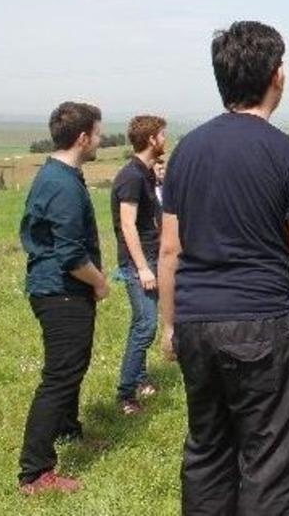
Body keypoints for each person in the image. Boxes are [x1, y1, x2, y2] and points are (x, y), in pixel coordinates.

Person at [157, 21, 289, 514]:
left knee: (207, 451)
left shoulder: (186, 151)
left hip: (196, 324)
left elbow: (169, 251)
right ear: (277, 77)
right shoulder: (287, 155)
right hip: (263, 326)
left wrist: (169, 324)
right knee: (272, 461)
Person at [17, 102, 109, 495]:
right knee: (59, 377)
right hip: (62, 292)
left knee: (72, 366)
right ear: (83, 137)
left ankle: (69, 431)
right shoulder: (62, 185)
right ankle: (35, 472)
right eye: (99, 133)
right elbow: (71, 255)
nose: (100, 141)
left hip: (60, 290)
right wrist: (100, 282)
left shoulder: (59, 174)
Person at [110, 115, 167, 416]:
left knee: (146, 322)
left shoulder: (145, 174)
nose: (165, 139)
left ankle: (142, 379)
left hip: (151, 256)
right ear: (151, 140)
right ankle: (125, 394)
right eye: (162, 135)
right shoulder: (131, 176)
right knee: (145, 325)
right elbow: (127, 225)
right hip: (138, 262)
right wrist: (143, 268)